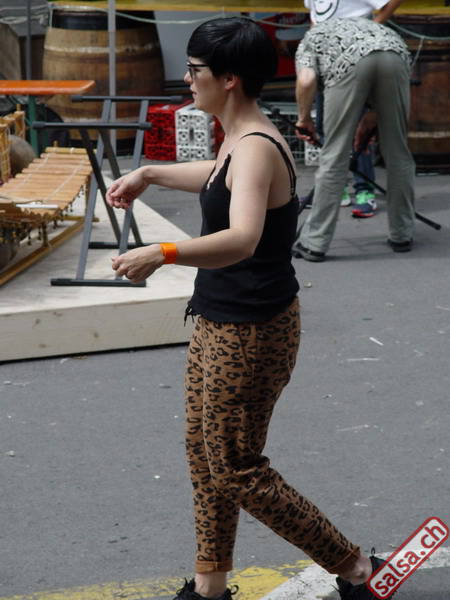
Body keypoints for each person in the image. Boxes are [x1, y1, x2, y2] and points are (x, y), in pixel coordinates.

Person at [106, 17, 395, 600]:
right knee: (204, 454)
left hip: (251, 331)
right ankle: (210, 586)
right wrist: (150, 173)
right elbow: (220, 181)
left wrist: (163, 252)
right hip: (217, 319)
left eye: (195, 70)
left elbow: (241, 237)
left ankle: (358, 569)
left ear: (229, 78)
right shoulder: (237, 138)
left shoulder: (257, 145)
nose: (187, 79)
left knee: (235, 466)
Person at [294, 17, 415, 262]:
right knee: (398, 153)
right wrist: (372, 116)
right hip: (395, 52)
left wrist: (303, 118)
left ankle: (315, 242)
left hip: (348, 62)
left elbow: (305, 80)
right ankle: (402, 234)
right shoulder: (369, 27)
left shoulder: (310, 39)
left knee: (335, 155)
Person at [302, 0, 405, 217]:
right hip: (326, 58)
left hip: (356, 57)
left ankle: (363, 189)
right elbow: (316, 15)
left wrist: (371, 27)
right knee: (324, 125)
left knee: (358, 127)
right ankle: (336, 187)